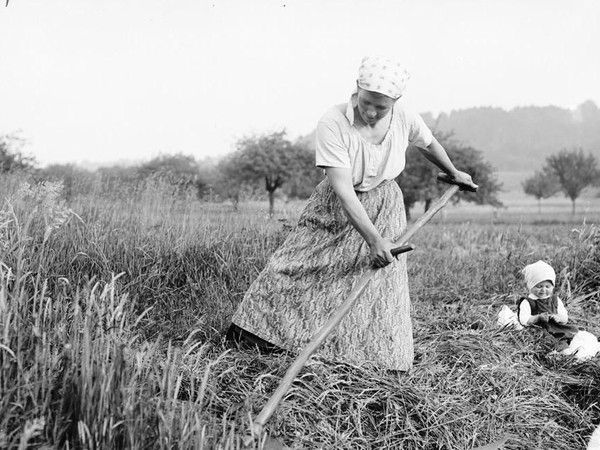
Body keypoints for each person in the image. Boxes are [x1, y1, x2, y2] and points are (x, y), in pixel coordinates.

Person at [227, 56, 477, 371]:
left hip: (385, 205)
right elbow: (344, 190)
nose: (371, 112)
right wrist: (373, 239)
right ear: (356, 89)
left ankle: (372, 359)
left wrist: (453, 172)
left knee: (375, 283)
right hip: (335, 207)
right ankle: (260, 338)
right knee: (295, 266)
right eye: (367, 102)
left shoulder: (404, 117)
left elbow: (428, 144)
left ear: (395, 103)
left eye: (381, 108)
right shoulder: (333, 122)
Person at [517, 260, 578, 346]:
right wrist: (537, 318)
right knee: (549, 341)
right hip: (538, 330)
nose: (543, 290)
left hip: (556, 327)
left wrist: (558, 318)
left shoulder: (555, 300)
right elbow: (524, 320)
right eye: (539, 286)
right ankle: (559, 349)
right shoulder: (528, 302)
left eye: (547, 286)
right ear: (531, 285)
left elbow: (564, 318)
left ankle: (570, 343)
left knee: (574, 332)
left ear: (552, 287)